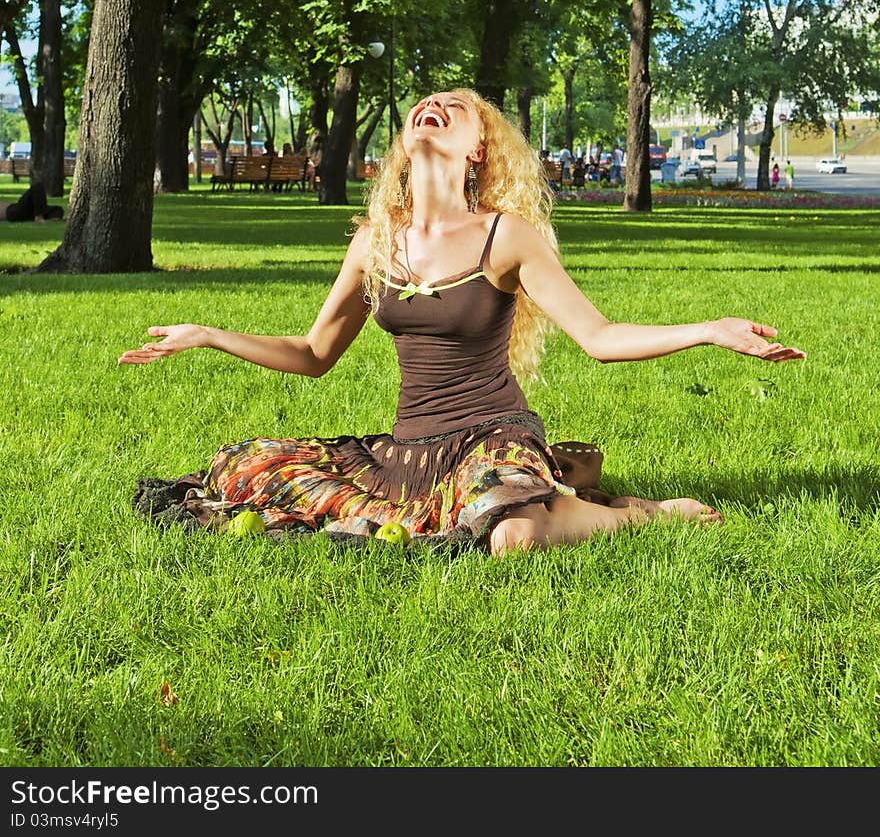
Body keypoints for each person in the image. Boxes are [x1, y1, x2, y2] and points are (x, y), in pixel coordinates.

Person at [120, 89, 804, 557]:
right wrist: (208, 335)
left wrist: (708, 329)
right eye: (426, 104)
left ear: (479, 149)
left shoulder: (505, 236)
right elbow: (313, 351)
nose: (434, 108)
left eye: (456, 110)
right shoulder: (373, 242)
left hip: (491, 435)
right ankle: (554, 491)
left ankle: (643, 513)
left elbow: (599, 337)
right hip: (407, 454)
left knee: (511, 541)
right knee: (245, 471)